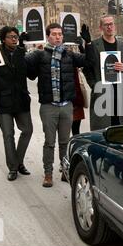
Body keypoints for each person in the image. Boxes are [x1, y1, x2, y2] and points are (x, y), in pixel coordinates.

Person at [25, 23, 91, 188]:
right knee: (49, 142)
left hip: (66, 105)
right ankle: (48, 174)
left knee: (64, 141)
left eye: (60, 34)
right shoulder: (40, 55)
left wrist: (86, 45)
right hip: (49, 106)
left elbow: (88, 61)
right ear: (48, 36)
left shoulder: (69, 55)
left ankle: (65, 170)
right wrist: (22, 46)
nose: (57, 37)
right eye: (54, 34)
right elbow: (24, 66)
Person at [0, 27, 33, 182]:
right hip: (4, 102)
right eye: (11, 37)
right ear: (3, 39)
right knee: (8, 135)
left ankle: (18, 162)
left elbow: (30, 74)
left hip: (22, 100)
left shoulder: (21, 52)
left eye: (16, 36)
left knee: (28, 131)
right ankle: (13, 168)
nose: (14, 39)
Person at [82, 15, 123, 131]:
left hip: (119, 96)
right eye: (106, 24)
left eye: (111, 24)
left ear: (115, 26)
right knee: (102, 133)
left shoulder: (122, 46)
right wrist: (94, 84)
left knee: (120, 132)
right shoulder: (93, 45)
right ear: (101, 27)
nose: (109, 27)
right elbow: (87, 68)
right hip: (102, 96)